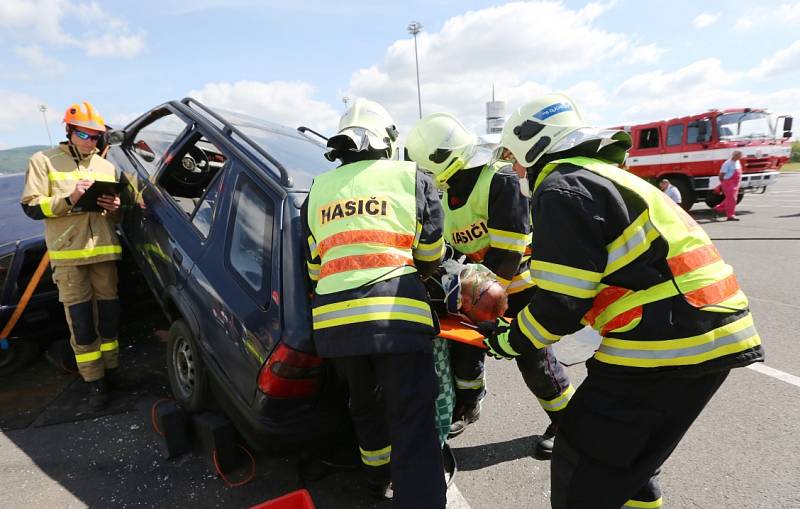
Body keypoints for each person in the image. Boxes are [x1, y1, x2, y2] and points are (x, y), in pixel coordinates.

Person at [482, 92, 763, 509]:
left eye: (514, 157)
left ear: (532, 143)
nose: (516, 170)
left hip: (665, 343)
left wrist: (509, 341)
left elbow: (563, 302)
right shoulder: (606, 177)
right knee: (630, 463)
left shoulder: (563, 186)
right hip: (708, 330)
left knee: (583, 458)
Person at [301, 98, 447, 508]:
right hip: (395, 319)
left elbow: (315, 269)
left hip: (335, 328)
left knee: (364, 406)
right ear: (387, 140)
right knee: (412, 423)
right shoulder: (410, 177)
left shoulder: (317, 190)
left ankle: (375, 485)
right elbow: (431, 254)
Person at [405, 112, 573, 456]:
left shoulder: (500, 180)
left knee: (535, 362)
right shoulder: (444, 193)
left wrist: (482, 304)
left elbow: (508, 256)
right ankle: (467, 406)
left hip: (517, 291)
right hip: (470, 296)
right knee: (464, 355)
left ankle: (569, 425)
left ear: (439, 160)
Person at [20, 102, 123, 411]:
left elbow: (116, 216)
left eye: (96, 136)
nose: (91, 141)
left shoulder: (106, 167)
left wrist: (116, 208)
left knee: (109, 320)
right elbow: (31, 207)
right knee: (81, 323)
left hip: (104, 252)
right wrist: (70, 197)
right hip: (68, 257)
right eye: (84, 134)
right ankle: (94, 382)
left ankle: (114, 372)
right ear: (69, 131)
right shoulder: (44, 161)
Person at [715, 150, 743, 221]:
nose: (741, 157)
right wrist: (723, 183)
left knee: (729, 199)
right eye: (739, 155)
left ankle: (718, 209)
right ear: (735, 155)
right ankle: (730, 215)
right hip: (728, 183)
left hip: (736, 184)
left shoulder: (738, 162)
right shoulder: (727, 163)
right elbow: (721, 175)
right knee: (732, 199)